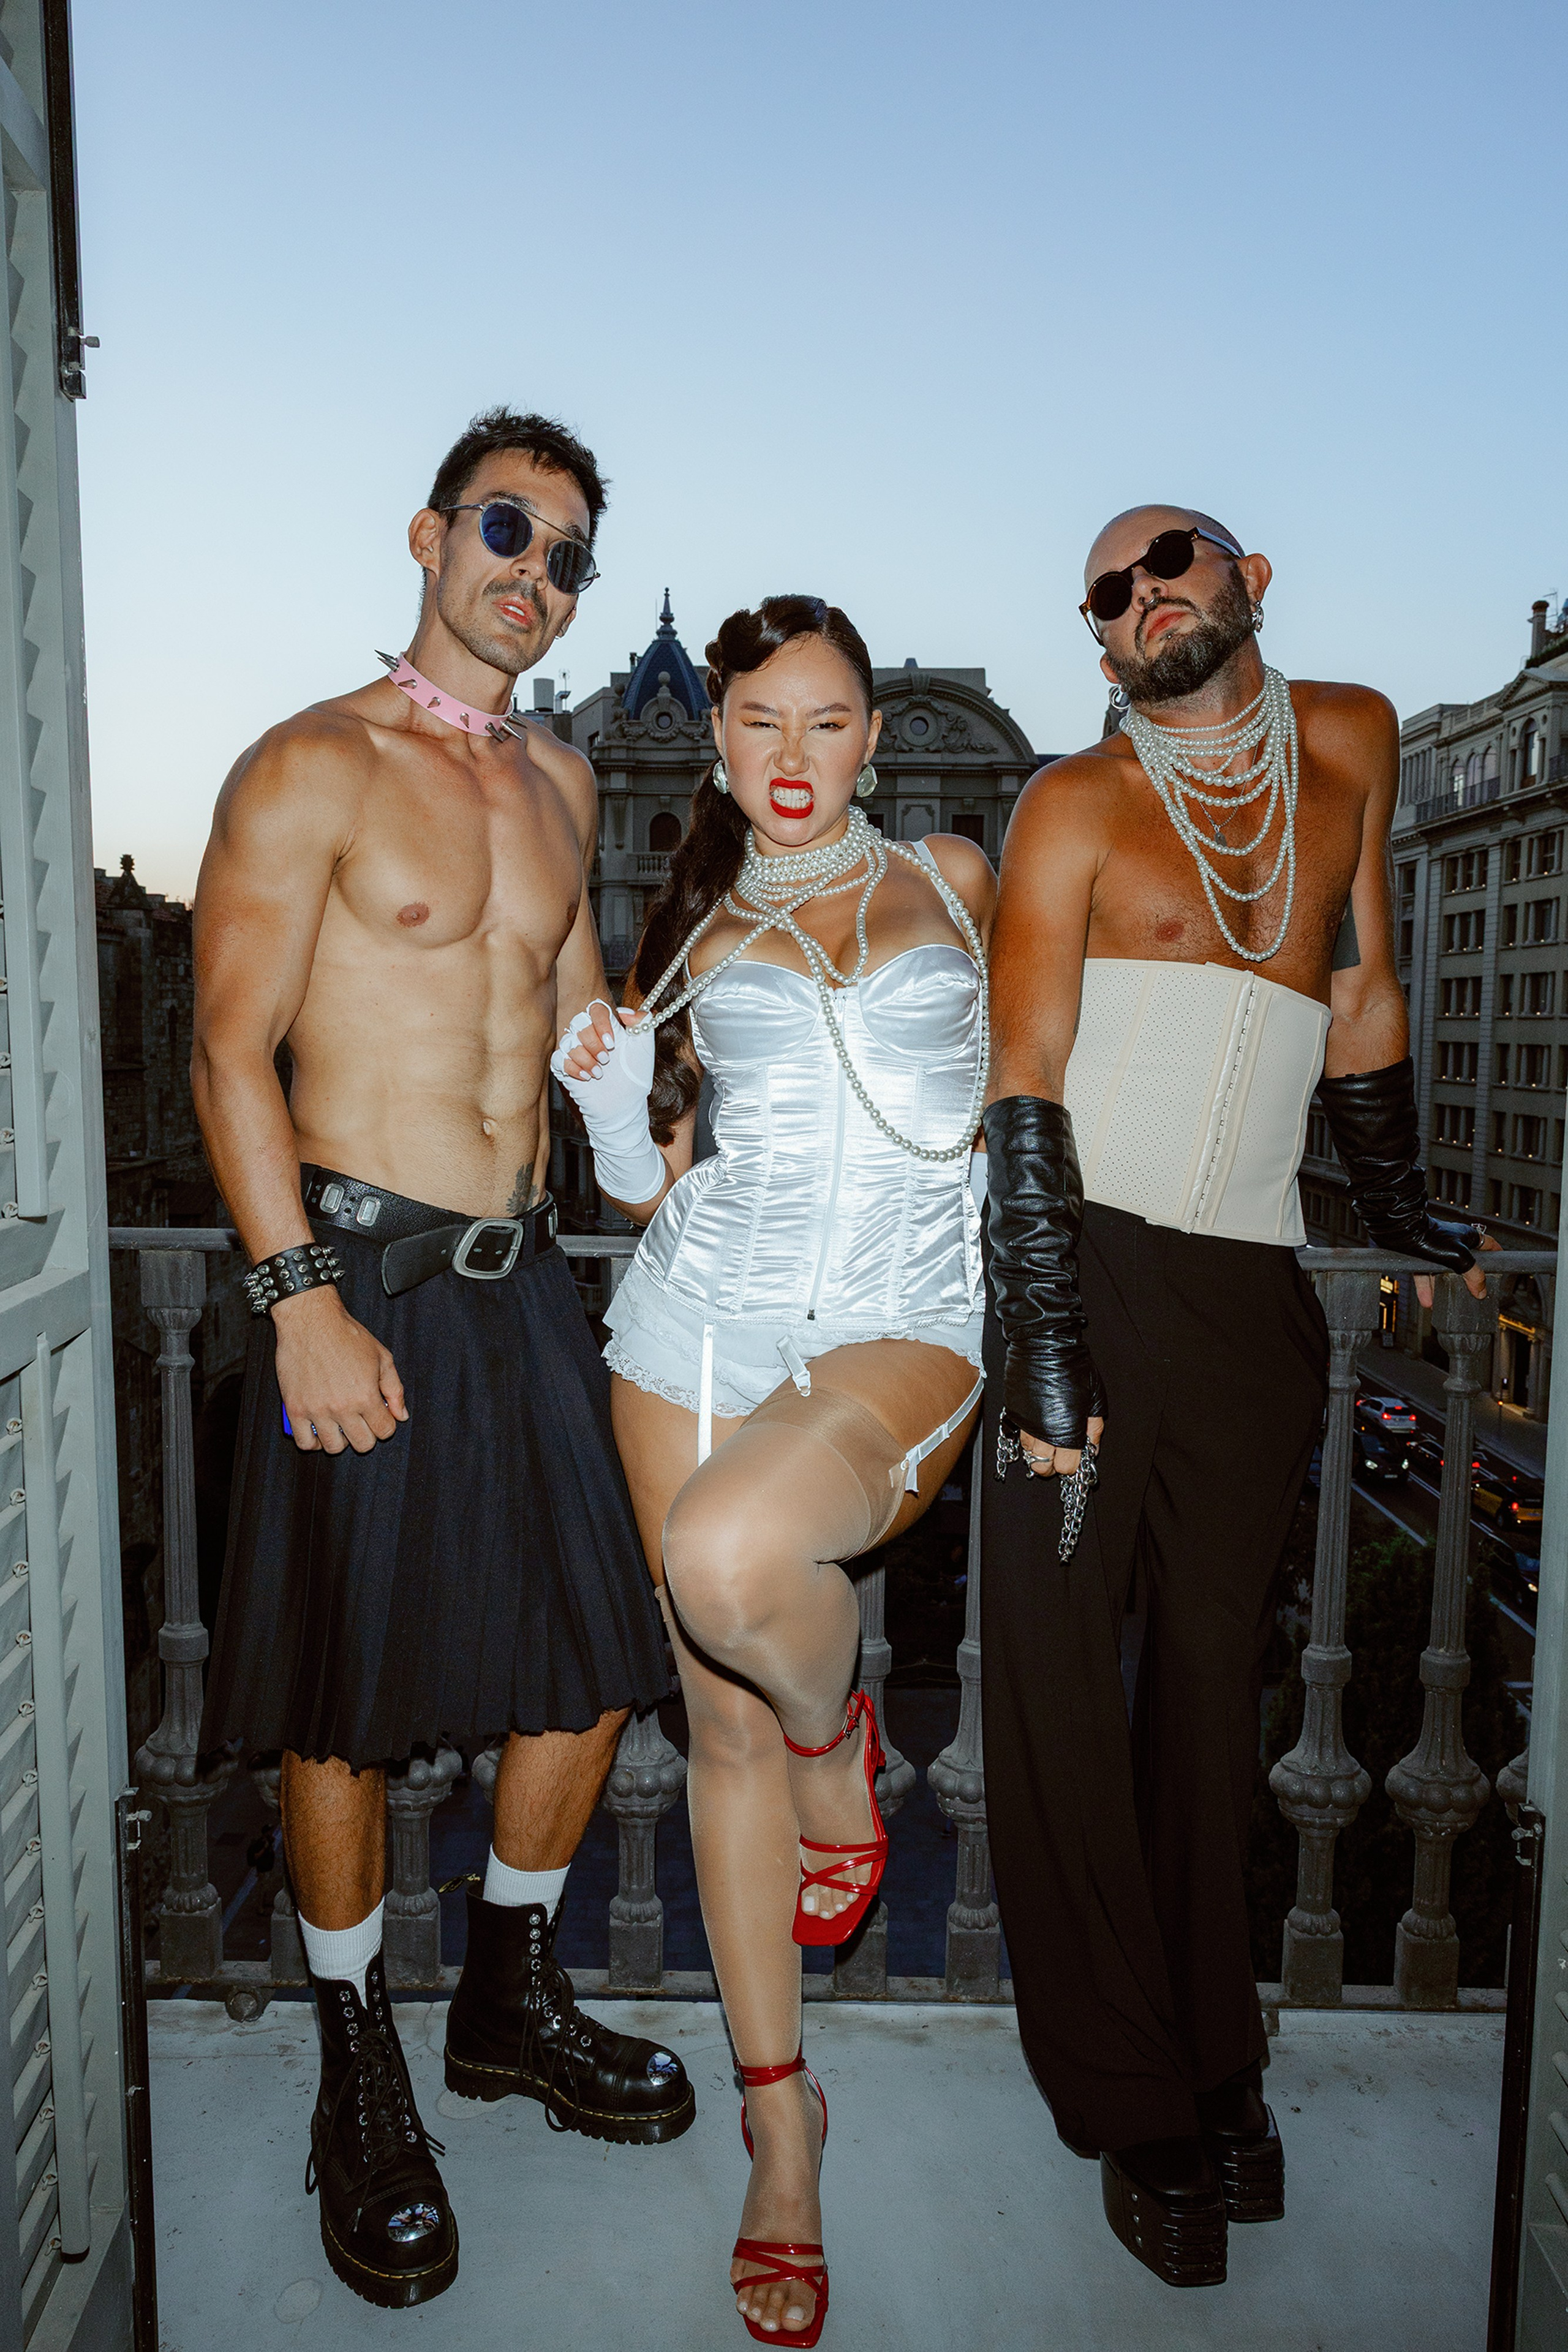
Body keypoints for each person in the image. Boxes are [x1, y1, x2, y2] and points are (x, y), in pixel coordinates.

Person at [192, 407, 692, 2312]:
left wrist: (651, 1141)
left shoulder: (563, 786)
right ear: (429, 533)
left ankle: (504, 1994)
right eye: (508, 529)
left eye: (566, 552)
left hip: (522, 1277)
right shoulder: (309, 762)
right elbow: (231, 1049)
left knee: (591, 1653)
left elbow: (582, 1036)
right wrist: (295, 1294)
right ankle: (356, 2064)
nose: (535, 574)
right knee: (344, 1695)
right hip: (365, 1272)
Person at [980, 505, 1488, 2288]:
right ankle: (1129, 2099)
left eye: (1169, 563)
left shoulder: (1349, 736)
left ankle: (1216, 2050)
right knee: (1056, 1692)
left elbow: (1357, 993)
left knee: (1211, 1705)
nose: (1141, 602)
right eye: (1107, 596)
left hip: (1257, 1293)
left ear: (1249, 578)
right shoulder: (1070, 808)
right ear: (1100, 644)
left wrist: (1406, 1199)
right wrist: (1042, 1344)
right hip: (1086, 1276)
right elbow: (1024, 1075)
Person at [553, 595, 994, 2346]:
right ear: (718, 739)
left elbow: (1043, 1107)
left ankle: (844, 1746)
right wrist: (600, 1103)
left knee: (732, 1569)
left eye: (826, 722)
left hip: (906, 1324)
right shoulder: (694, 928)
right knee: (713, 1724)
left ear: (871, 738)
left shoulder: (962, 878)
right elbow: (651, 1193)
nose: (790, 757)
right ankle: (780, 2135)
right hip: (688, 1334)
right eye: (758, 722)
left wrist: (1060, 1348)